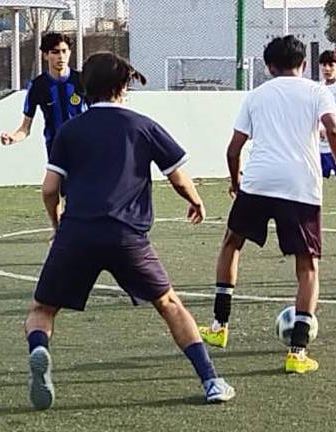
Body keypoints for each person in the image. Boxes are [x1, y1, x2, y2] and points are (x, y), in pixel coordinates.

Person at [23, 52, 234, 410]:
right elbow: (178, 176)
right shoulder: (142, 126)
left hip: (78, 233)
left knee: (42, 309)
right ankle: (211, 381)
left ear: (85, 87)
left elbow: (48, 188)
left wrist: (58, 225)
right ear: (123, 86)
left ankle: (40, 348)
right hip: (126, 236)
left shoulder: (70, 131)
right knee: (169, 304)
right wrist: (196, 199)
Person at [198, 36, 336, 374]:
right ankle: (297, 353)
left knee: (231, 243)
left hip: (260, 181)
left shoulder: (256, 96)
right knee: (307, 265)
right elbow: (334, 131)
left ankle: (219, 327)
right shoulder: (318, 92)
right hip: (301, 185)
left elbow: (233, 149)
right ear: (304, 65)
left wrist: (237, 183)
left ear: (269, 67)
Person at [0, 32, 86, 154]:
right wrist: (13, 138)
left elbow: (99, 115)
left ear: (70, 53)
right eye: (55, 52)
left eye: (64, 51)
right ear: (45, 55)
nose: (61, 56)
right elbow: (25, 128)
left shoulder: (82, 80)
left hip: (84, 147)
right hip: (55, 150)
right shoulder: (38, 86)